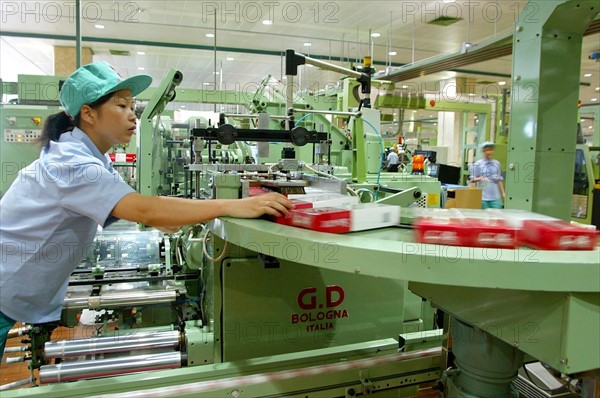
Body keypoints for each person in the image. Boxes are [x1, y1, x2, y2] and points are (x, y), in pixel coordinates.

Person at [0, 62, 293, 356]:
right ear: (88, 113)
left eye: (133, 106)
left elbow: (127, 206)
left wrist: (164, 220)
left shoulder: (88, 157)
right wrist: (235, 205)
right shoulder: (74, 164)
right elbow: (146, 210)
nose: (132, 114)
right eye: (122, 105)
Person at [470, 142, 506, 209]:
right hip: (483, 198)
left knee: (496, 218)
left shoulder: (496, 163)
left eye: (491, 150)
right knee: (485, 218)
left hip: (495, 197)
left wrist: (503, 193)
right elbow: (472, 179)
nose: (489, 152)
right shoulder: (478, 164)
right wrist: (480, 178)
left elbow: (500, 180)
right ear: (483, 151)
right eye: (487, 150)